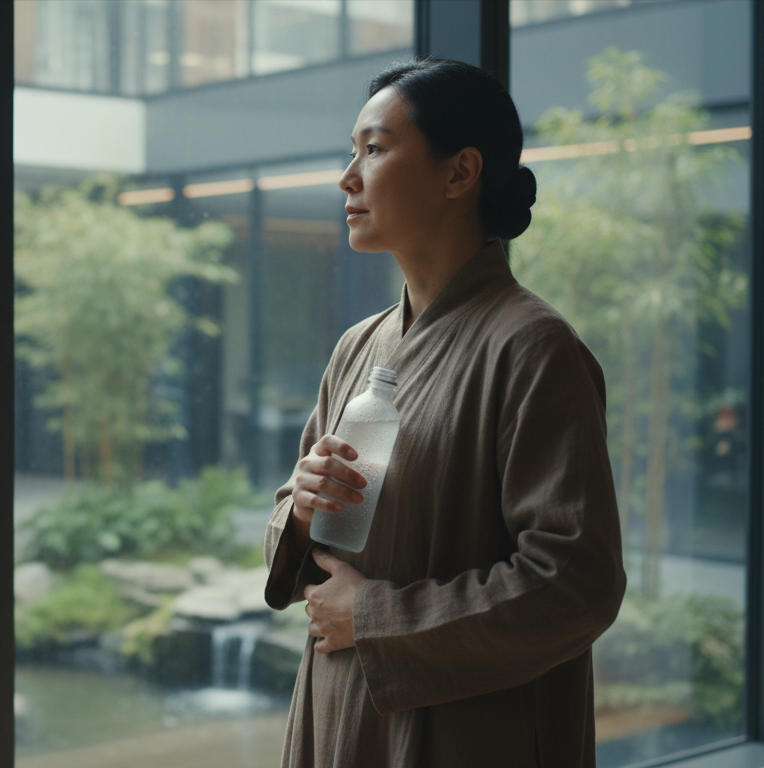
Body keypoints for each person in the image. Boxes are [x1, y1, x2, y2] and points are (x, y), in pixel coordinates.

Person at [263, 58, 626, 767]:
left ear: (460, 174)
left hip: (467, 729)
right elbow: (301, 528)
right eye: (352, 152)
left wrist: (374, 617)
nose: (348, 177)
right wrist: (300, 508)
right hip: (341, 704)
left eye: (373, 148)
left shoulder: (532, 347)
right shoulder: (358, 345)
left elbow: (574, 583)